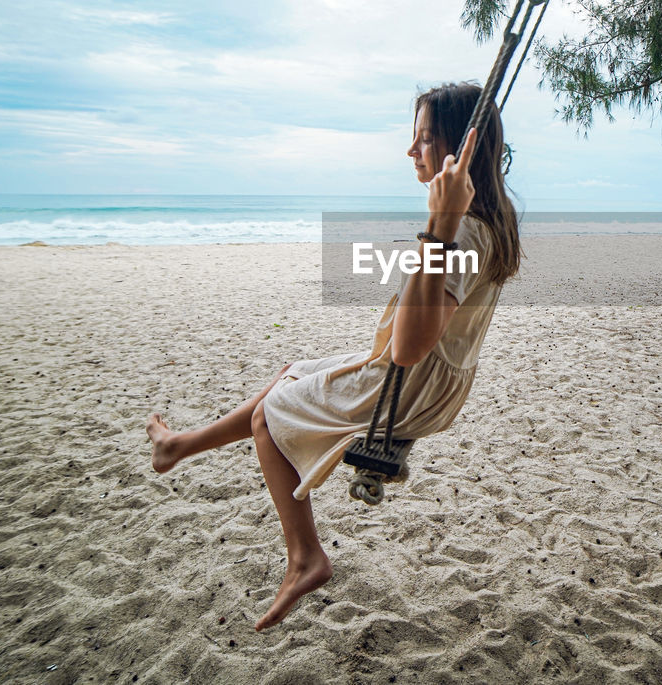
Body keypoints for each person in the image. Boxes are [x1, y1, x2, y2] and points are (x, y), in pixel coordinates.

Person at [145, 83, 521, 630]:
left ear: (458, 151)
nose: (411, 152)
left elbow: (410, 349)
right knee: (289, 377)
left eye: (422, 139)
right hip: (430, 378)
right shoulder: (491, 217)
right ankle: (179, 446)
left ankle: (305, 558)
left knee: (268, 419)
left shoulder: (459, 232)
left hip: (408, 381)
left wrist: (438, 229)